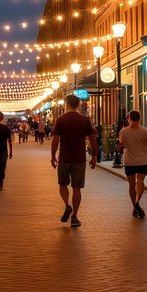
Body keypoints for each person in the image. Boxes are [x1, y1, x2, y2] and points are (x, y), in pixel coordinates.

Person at [50, 95, 98, 227]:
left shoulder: (60, 120)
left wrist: (53, 156)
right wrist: (94, 156)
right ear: (78, 104)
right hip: (79, 159)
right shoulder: (85, 120)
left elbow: (55, 140)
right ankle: (75, 217)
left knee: (62, 185)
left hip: (64, 158)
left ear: (66, 104)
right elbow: (92, 139)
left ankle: (67, 205)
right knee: (77, 188)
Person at [117, 110, 147, 219]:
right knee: (141, 182)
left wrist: (119, 146)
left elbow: (119, 147)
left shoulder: (123, 132)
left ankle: (134, 206)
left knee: (131, 184)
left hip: (129, 161)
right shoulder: (145, 131)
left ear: (129, 118)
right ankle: (138, 201)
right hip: (143, 160)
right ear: (140, 118)